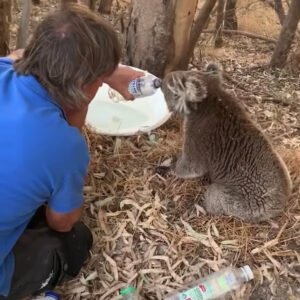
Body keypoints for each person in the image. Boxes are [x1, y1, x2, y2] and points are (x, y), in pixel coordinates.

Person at [0, 3, 144, 299]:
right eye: (99, 80)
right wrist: (84, 99)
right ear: (83, 85)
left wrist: (105, 72)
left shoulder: (4, 69)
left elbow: (18, 56)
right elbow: (61, 222)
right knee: (75, 241)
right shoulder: (65, 146)